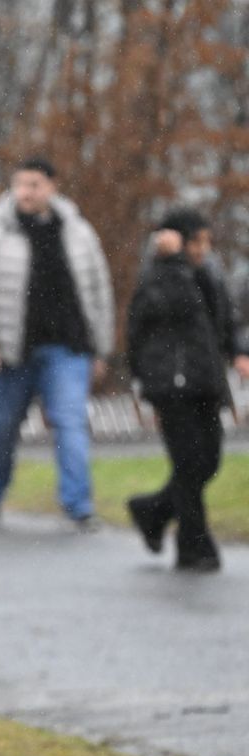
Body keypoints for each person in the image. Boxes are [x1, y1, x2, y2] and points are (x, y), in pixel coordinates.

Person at [0, 157, 115, 531]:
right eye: (20, 184)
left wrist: (100, 348)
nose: (26, 192)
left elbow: (98, 290)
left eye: (35, 184)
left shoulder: (77, 232)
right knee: (3, 429)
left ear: (52, 186)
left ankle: (78, 505)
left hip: (68, 348)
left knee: (70, 422)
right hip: (12, 352)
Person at [125, 209, 249, 572]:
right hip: (170, 383)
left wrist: (239, 351)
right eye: (197, 242)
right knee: (188, 462)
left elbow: (225, 319)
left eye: (207, 242)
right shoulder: (157, 275)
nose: (203, 249)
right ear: (177, 240)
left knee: (208, 461)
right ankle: (194, 546)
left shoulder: (210, 273)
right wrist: (174, 260)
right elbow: (173, 307)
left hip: (205, 382)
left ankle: (152, 510)